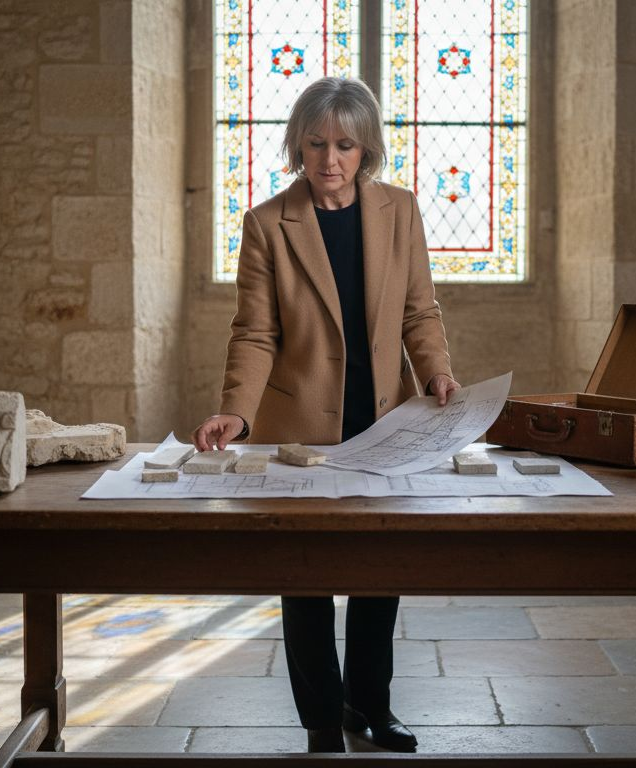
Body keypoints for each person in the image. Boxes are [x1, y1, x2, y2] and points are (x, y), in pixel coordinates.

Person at [191, 76, 460, 754]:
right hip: (299, 433)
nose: (329, 158)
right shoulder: (266, 224)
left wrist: (435, 372)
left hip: (386, 422)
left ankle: (370, 707)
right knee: (303, 577)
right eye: (315, 143)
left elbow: (419, 311)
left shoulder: (400, 211)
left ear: (365, 148)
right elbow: (255, 334)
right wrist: (236, 414)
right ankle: (319, 723)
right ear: (298, 145)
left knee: (381, 574)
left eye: (344, 144)